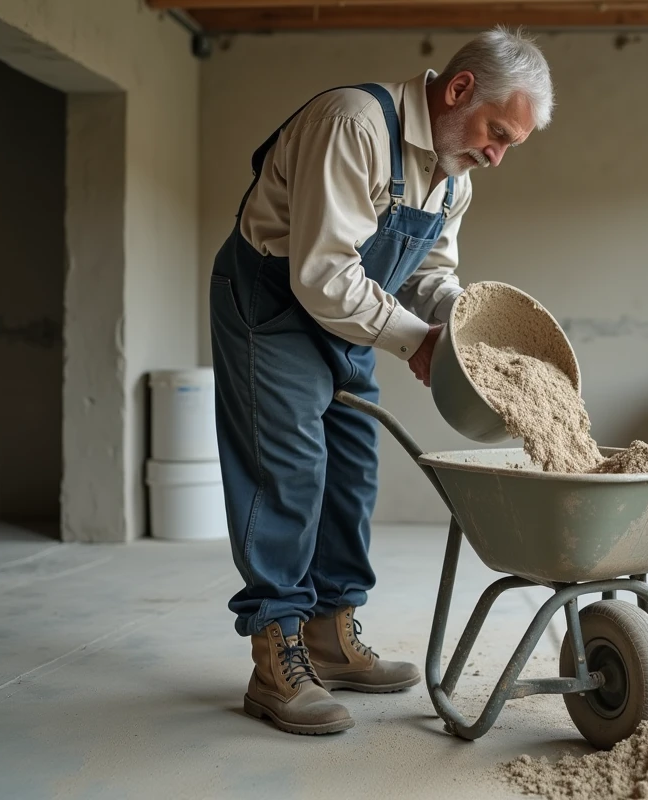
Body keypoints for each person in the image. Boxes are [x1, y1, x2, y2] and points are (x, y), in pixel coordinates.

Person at [208, 27, 554, 735]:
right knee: (287, 471)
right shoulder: (354, 125)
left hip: (351, 317)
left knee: (353, 471)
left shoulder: (453, 175)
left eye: (511, 144)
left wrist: (462, 329)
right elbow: (322, 273)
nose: (497, 155)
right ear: (460, 90)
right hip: (275, 306)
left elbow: (428, 272)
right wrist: (417, 341)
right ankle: (275, 654)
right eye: (497, 132)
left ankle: (331, 636)